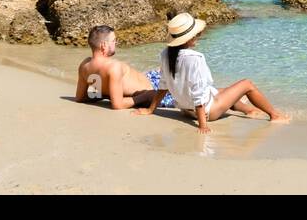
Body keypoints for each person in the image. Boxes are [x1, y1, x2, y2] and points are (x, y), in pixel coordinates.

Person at [137, 12, 290, 132]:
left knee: (222, 91)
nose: (198, 35)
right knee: (247, 84)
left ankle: (249, 110)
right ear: (188, 38)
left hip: (184, 110)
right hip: (207, 113)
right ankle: (275, 115)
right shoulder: (196, 58)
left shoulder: (165, 54)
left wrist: (151, 110)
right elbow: (198, 93)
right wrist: (203, 125)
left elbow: (163, 85)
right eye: (196, 34)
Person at [73, 25, 160, 110]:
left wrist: (106, 95)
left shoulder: (84, 65)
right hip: (153, 88)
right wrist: (146, 96)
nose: (116, 43)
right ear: (104, 45)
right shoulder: (113, 67)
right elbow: (117, 105)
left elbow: (80, 97)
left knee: (159, 70)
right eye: (114, 40)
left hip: (150, 78)